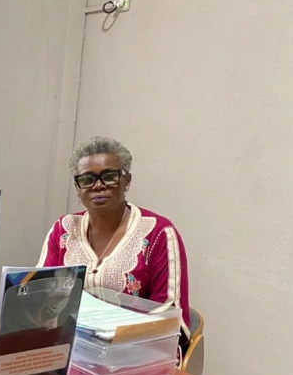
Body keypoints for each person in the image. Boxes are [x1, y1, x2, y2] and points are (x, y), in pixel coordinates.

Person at [37, 136, 190, 342]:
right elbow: (41, 294)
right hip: (68, 346)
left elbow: (168, 314)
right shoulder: (63, 229)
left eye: (109, 177)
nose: (98, 186)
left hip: (133, 349)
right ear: (77, 188)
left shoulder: (158, 233)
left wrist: (110, 340)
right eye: (87, 179)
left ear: (127, 180)